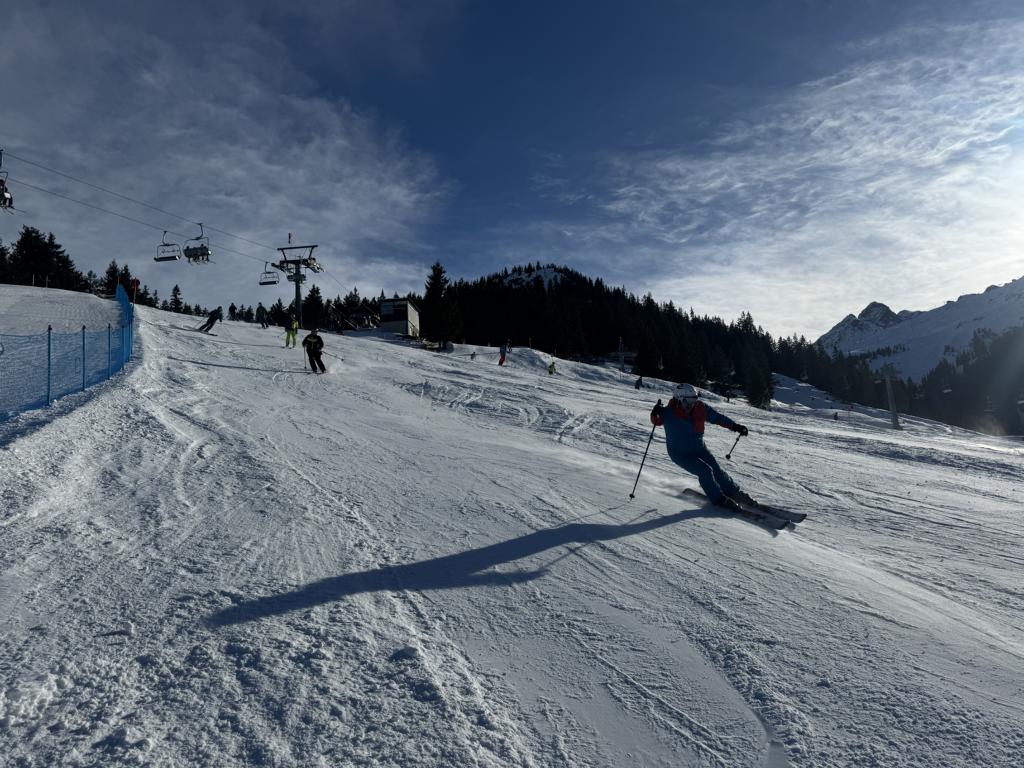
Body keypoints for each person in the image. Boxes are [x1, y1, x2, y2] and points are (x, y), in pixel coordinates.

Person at [650, 383, 753, 512]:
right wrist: (655, 413)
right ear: (679, 399)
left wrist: (735, 426)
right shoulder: (668, 412)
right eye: (690, 401)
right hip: (680, 453)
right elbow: (656, 421)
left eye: (695, 399)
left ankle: (733, 492)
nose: (693, 403)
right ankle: (719, 499)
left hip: (699, 448)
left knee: (716, 470)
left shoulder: (700, 408)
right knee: (705, 471)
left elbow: (717, 418)